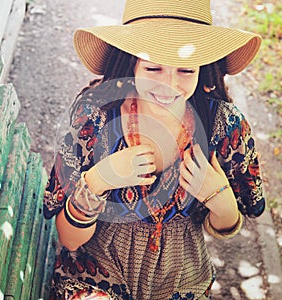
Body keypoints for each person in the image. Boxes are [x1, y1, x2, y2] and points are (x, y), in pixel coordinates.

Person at [43, 0, 266, 299]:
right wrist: (98, 180)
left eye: (186, 69)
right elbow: (69, 240)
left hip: (182, 282)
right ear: (130, 62)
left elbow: (234, 218)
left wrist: (219, 197)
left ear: (204, 69)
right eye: (153, 67)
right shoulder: (96, 116)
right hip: (94, 277)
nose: (169, 85)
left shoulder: (224, 126)